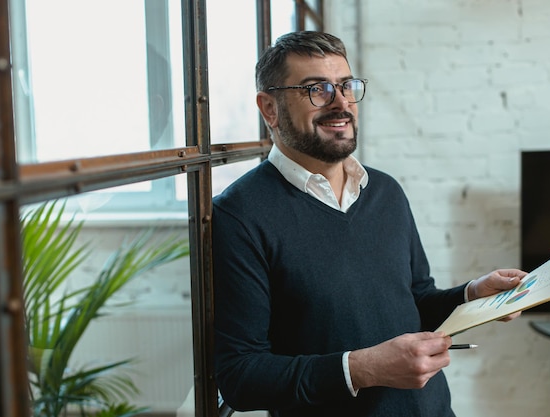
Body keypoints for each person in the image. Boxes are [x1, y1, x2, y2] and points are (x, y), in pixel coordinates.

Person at [212, 31, 526, 417]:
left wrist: (472, 295)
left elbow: (415, 302)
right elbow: (240, 377)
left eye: (346, 86)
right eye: (317, 89)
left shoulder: (385, 191)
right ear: (270, 109)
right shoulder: (240, 215)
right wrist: (363, 369)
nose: (341, 103)